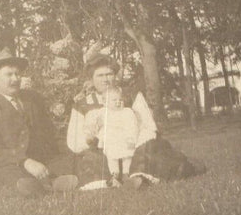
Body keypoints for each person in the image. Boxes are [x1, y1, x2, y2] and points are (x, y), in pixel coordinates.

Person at [67, 54, 205, 186]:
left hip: (132, 145)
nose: (105, 79)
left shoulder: (130, 95)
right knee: (92, 161)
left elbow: (148, 125)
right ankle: (113, 179)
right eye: (100, 75)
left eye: (109, 74)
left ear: (115, 76)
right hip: (103, 150)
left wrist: (135, 143)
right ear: (91, 79)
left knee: (149, 153)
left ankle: (138, 177)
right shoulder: (82, 105)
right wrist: (91, 139)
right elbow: (74, 141)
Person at [0, 51, 79, 197]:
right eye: (9, 74)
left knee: (74, 163)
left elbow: (48, 133)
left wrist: (66, 151)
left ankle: (53, 180)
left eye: (18, 74)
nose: (15, 79)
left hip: (39, 158)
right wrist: (25, 161)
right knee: (16, 178)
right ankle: (42, 184)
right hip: (6, 163)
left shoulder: (32, 99)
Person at [84, 87, 139, 186]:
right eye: (114, 100)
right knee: (112, 156)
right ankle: (115, 174)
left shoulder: (127, 112)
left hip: (125, 138)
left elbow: (133, 126)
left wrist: (131, 139)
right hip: (111, 139)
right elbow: (94, 123)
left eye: (120, 100)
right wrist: (92, 131)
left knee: (128, 155)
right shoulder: (102, 112)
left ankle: (126, 173)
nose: (118, 102)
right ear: (105, 102)